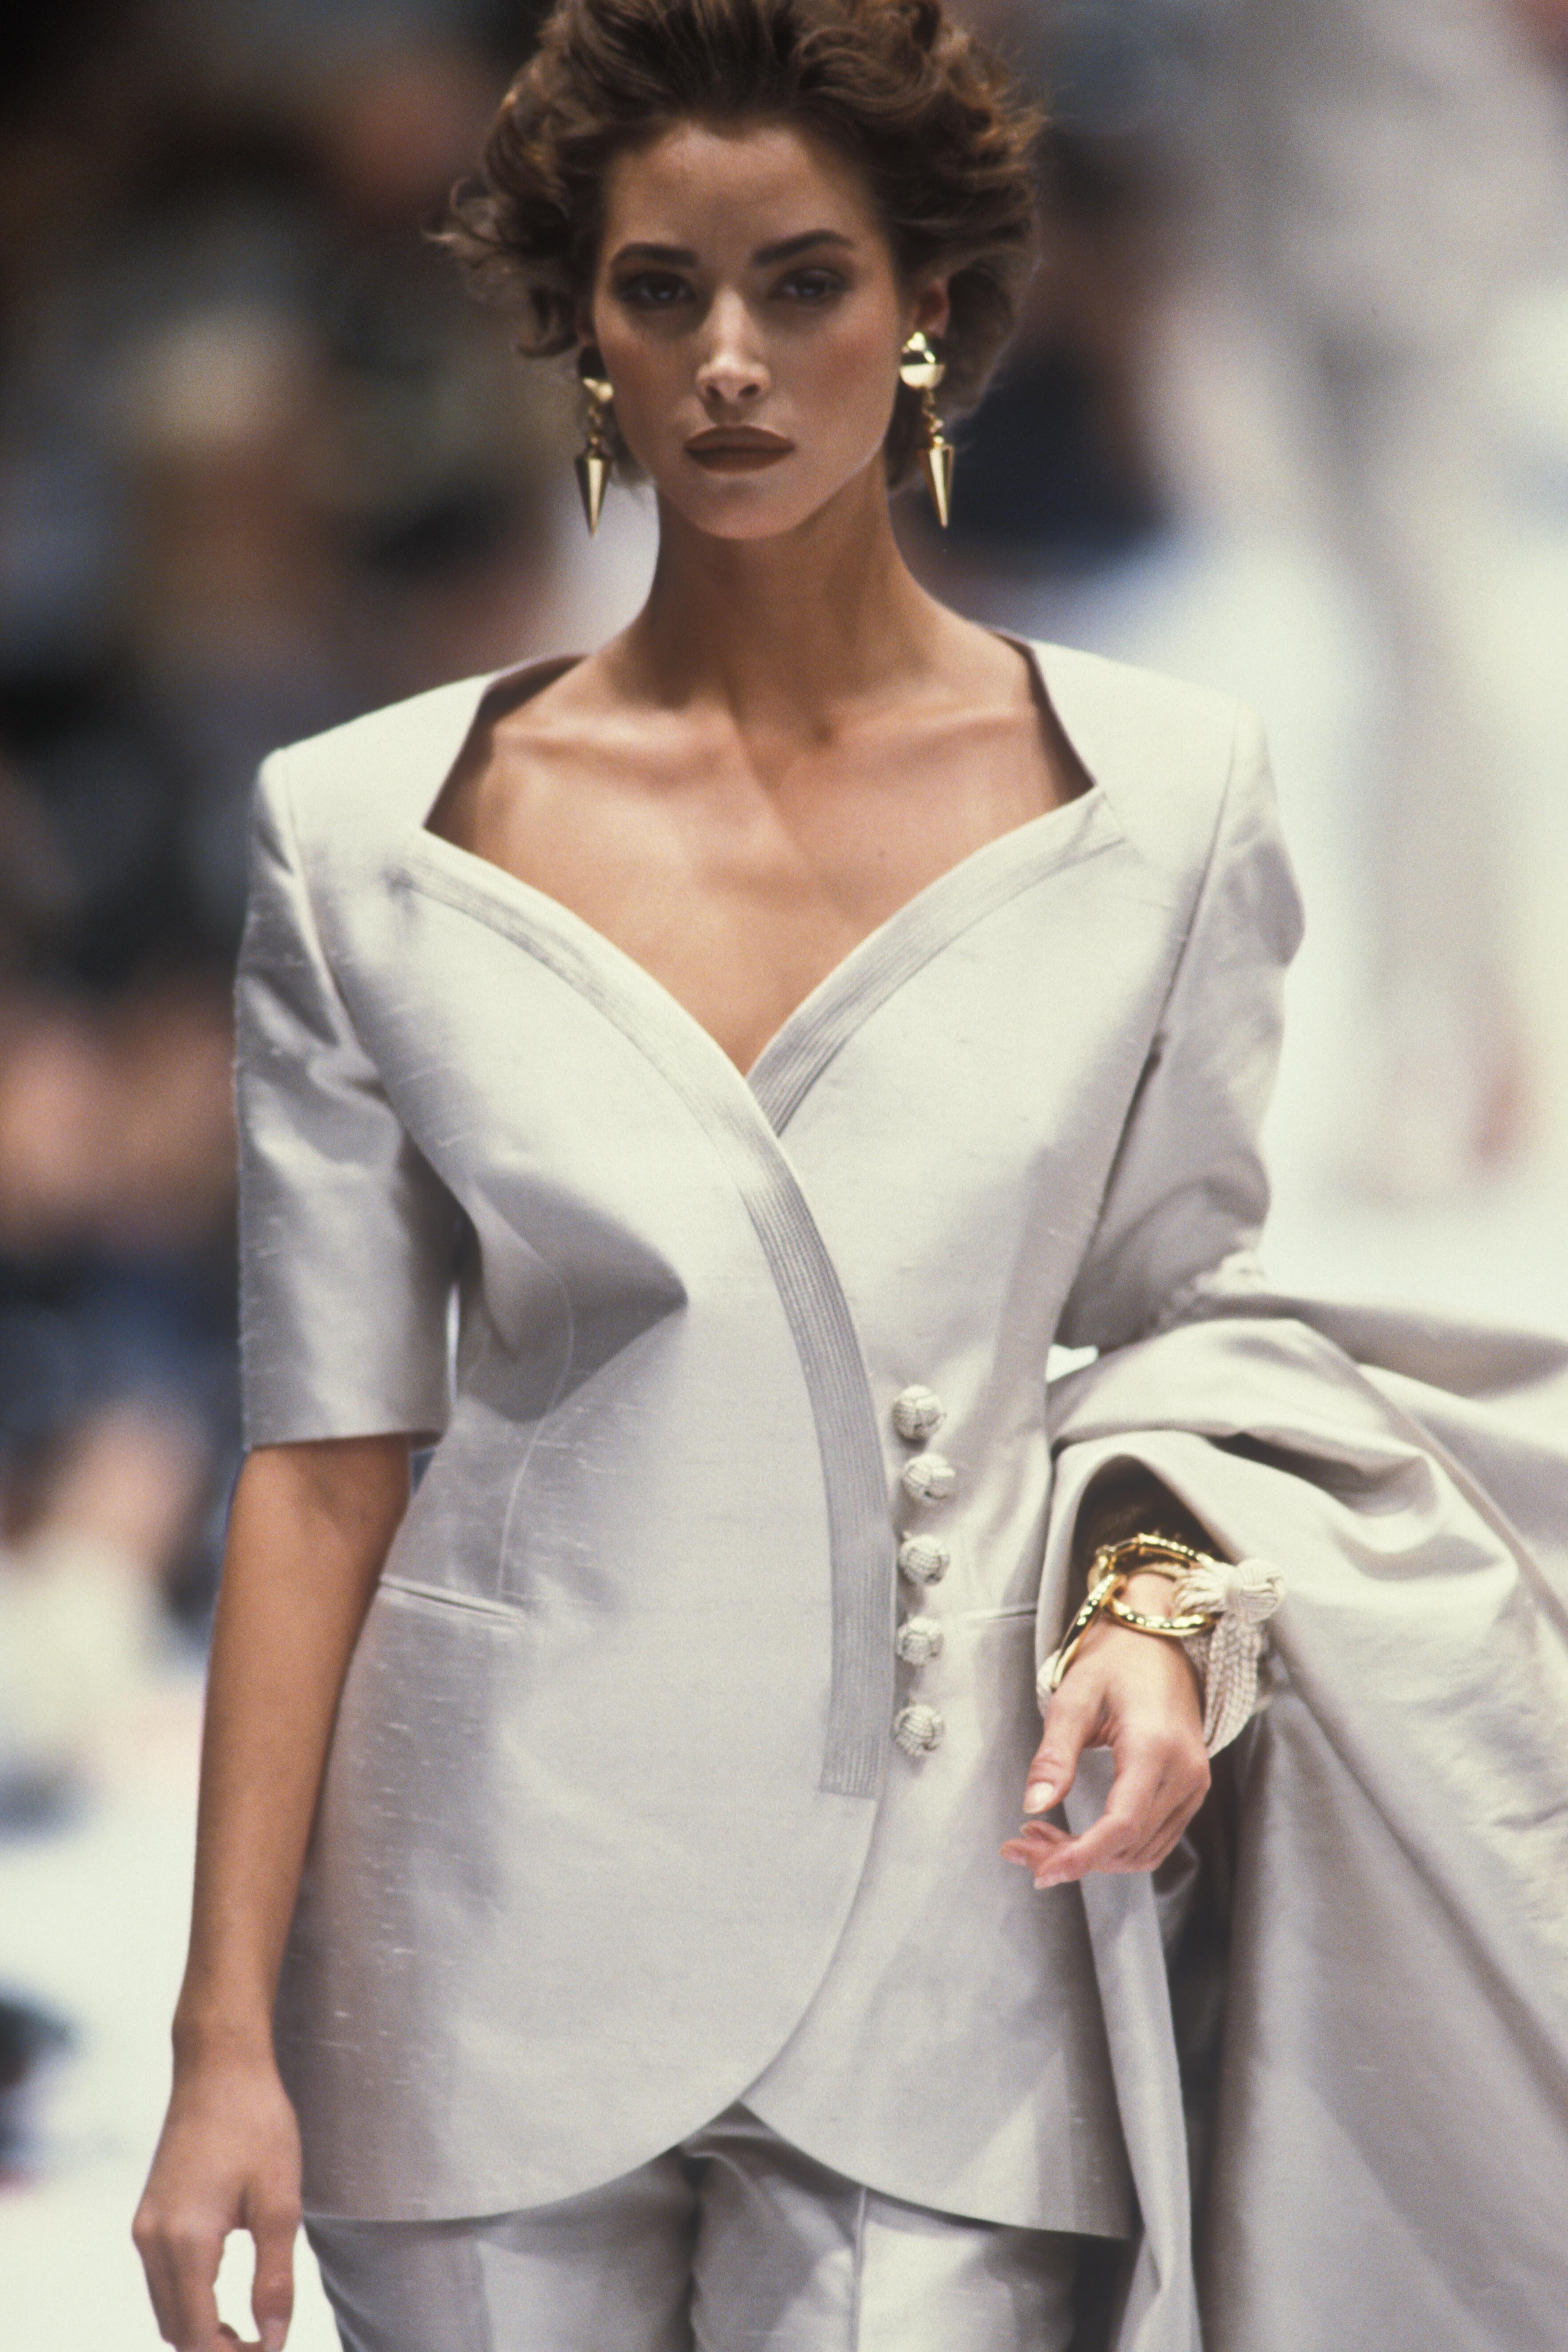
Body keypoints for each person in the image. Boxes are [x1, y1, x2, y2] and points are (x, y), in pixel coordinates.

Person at [132, 4, 1568, 2350]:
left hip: (956, 1914)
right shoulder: (366, 831)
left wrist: (1158, 1610)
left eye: (801, 282)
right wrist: (219, 2039)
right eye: (658, 289)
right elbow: (322, 1458)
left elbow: (1179, 1337)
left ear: (925, 309)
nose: (728, 357)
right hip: (476, 1917)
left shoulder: (1164, 804)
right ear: (578, 325)